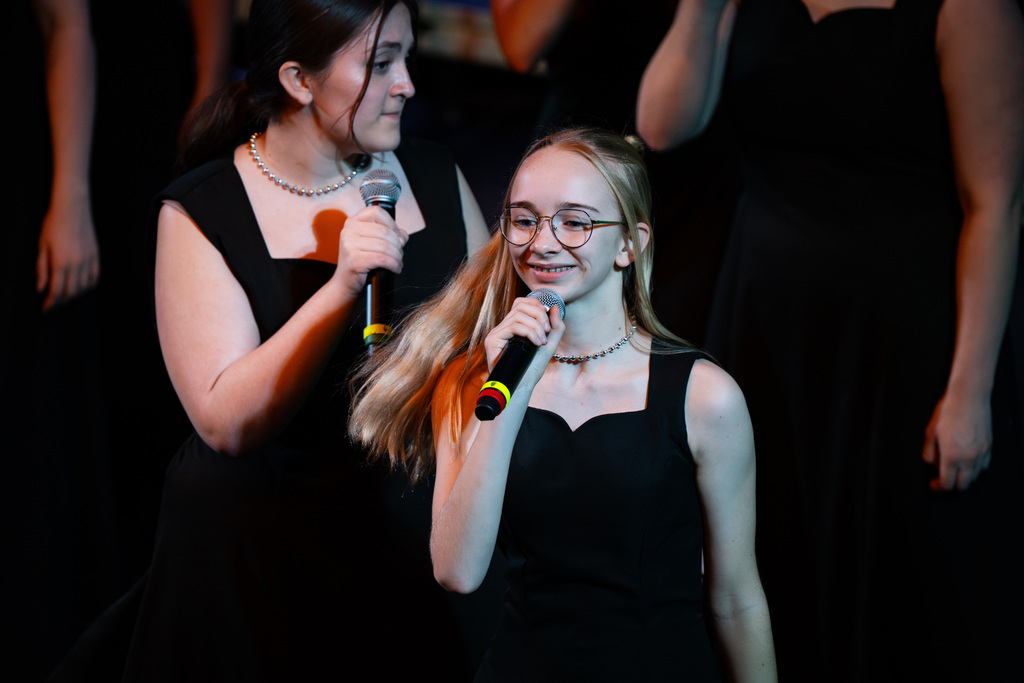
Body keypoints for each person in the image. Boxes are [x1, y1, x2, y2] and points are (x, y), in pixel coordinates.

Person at [49, 1, 489, 680]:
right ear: (297, 79)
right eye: (380, 64)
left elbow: (484, 356)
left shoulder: (433, 174)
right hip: (263, 553)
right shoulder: (202, 210)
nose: (406, 84)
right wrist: (341, 287)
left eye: (407, 58)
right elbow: (226, 422)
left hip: (410, 541)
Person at [637, 0, 1024, 680]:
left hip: (903, 333)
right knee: (766, 540)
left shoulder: (967, 8)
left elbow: (995, 202)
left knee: (902, 568)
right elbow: (663, 126)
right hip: (765, 317)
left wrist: (971, 387)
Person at [350, 127, 776, 681]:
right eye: (524, 220)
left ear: (630, 243)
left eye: (574, 222)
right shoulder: (472, 381)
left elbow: (737, 599)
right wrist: (514, 386)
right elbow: (457, 570)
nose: (542, 243)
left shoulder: (703, 396)